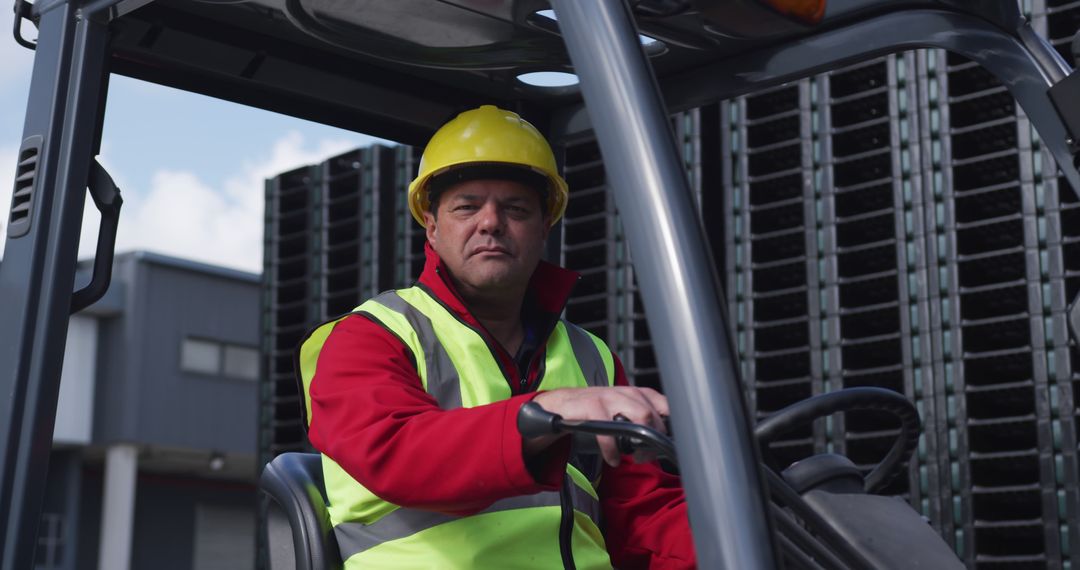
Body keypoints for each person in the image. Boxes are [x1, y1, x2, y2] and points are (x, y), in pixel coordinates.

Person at [297, 105, 696, 569]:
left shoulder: (593, 359)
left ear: (544, 225)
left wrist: (758, 533)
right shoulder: (368, 335)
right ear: (431, 223)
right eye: (467, 206)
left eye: (516, 209)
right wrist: (545, 413)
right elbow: (397, 452)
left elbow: (643, 519)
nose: (490, 222)